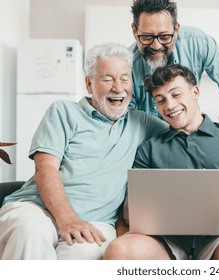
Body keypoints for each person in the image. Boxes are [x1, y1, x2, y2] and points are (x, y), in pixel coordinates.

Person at [0, 42, 168, 260]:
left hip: (96, 221)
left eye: (124, 79)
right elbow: (45, 168)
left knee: (84, 250)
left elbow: (182, 131)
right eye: (107, 79)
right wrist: (67, 219)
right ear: (90, 84)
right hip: (36, 208)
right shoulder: (64, 111)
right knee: (29, 230)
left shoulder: (142, 123)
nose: (118, 88)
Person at [103, 64, 219, 260]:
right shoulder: (148, 148)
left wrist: (201, 208)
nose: (169, 105)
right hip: (168, 238)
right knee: (120, 250)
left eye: (176, 95)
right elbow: (132, 211)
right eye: (161, 100)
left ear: (195, 92)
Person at [129, 0, 219, 161]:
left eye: (165, 36)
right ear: (134, 31)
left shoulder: (198, 42)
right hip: (152, 146)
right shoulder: (127, 66)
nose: (156, 45)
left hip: (192, 137)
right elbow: (125, 122)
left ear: (176, 29)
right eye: (147, 37)